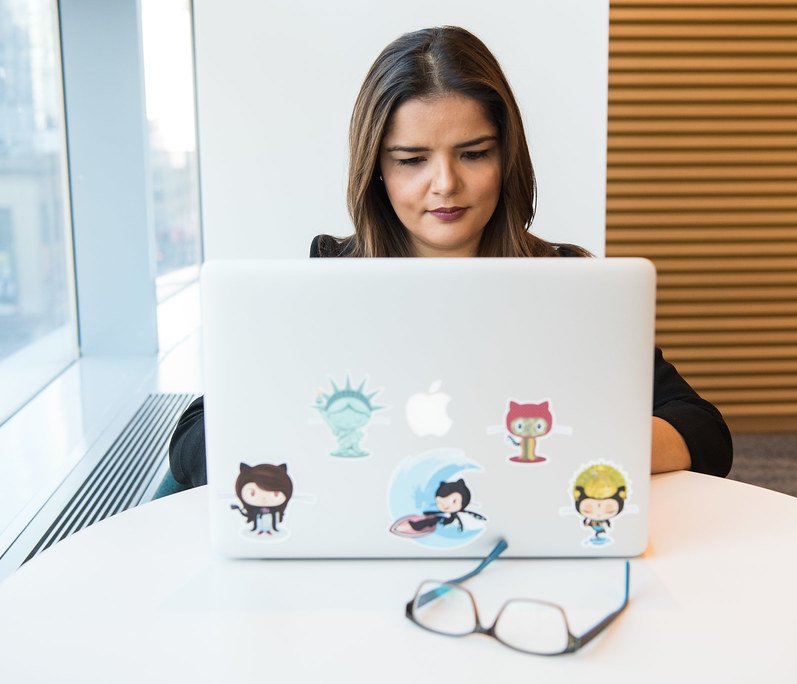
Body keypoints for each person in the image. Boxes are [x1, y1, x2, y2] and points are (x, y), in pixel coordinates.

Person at [169, 26, 732, 488]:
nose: (446, 183)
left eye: (473, 153)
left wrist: (570, 446)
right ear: (377, 171)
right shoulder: (329, 280)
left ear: (506, 158)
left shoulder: (567, 282)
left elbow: (703, 431)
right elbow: (196, 436)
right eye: (412, 159)